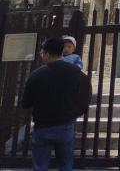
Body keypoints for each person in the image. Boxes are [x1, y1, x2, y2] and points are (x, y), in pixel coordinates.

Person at [21, 37, 91, 171]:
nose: (41, 55)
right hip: (66, 124)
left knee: (40, 166)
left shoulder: (37, 74)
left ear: (47, 54)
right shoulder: (76, 72)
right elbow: (84, 97)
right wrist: (73, 113)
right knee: (65, 166)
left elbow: (26, 103)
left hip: (42, 125)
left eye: (42, 53)